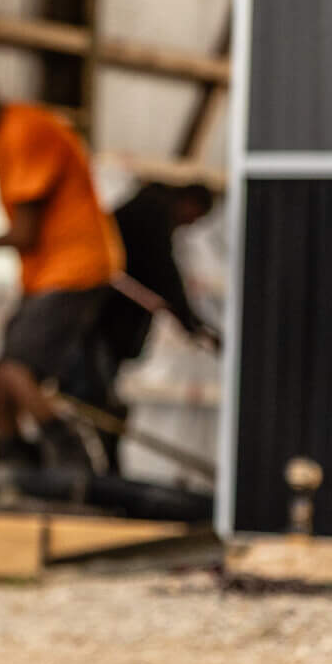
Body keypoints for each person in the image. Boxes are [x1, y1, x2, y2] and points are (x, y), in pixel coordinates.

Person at [0, 39, 123, 470]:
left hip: (77, 269)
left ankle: (73, 458)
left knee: (16, 371)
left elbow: (25, 234)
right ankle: (13, 462)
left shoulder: (25, 131)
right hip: (48, 275)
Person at [92, 180, 218, 470]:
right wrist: (190, 323)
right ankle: (102, 467)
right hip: (100, 322)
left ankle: (104, 465)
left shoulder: (147, 209)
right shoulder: (153, 213)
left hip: (102, 322)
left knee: (102, 393)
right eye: (194, 217)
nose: (189, 225)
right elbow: (164, 274)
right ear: (189, 202)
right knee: (97, 397)